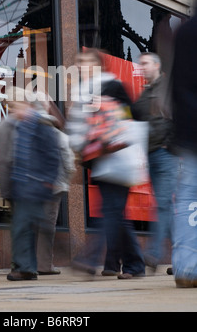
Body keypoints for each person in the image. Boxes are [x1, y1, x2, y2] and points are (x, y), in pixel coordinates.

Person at [66, 49, 145, 279]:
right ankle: (122, 264)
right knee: (115, 215)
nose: (83, 65)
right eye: (80, 61)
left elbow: (133, 119)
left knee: (110, 213)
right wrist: (78, 147)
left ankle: (90, 258)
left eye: (88, 61)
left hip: (120, 158)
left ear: (99, 65)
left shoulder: (113, 86)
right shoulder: (82, 92)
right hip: (100, 161)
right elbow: (77, 127)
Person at [0, 88, 61, 281]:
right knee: (24, 227)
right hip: (19, 185)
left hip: (35, 184)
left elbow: (53, 156)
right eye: (12, 107)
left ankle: (24, 267)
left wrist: (48, 181)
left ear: (26, 105)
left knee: (23, 227)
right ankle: (27, 267)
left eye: (16, 106)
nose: (13, 110)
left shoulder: (40, 125)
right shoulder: (17, 126)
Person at [131, 52, 178, 272]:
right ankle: (185, 257)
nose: (141, 67)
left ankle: (153, 254)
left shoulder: (167, 88)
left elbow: (180, 116)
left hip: (165, 154)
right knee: (165, 207)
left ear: (157, 65)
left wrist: (170, 144)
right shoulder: (146, 92)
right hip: (151, 153)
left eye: (145, 63)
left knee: (162, 206)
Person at [170, 12, 197, 287]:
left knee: (189, 195)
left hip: (190, 130)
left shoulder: (185, 31)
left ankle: (188, 266)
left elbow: (176, 85)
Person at [36, 103, 75, 275]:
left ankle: (27, 262)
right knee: (48, 225)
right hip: (55, 185)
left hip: (34, 184)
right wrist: (66, 178)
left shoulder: (30, 134)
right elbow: (69, 164)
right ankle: (44, 265)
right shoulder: (60, 136)